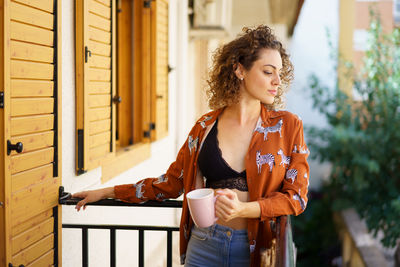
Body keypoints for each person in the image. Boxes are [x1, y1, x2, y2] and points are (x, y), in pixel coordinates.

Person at [73, 25, 310, 267]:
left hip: (254, 250)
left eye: (280, 73)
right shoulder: (205, 125)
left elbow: (297, 198)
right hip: (204, 244)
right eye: (269, 72)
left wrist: (244, 209)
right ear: (239, 69)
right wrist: (107, 192)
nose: (278, 81)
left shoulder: (288, 127)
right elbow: (171, 183)